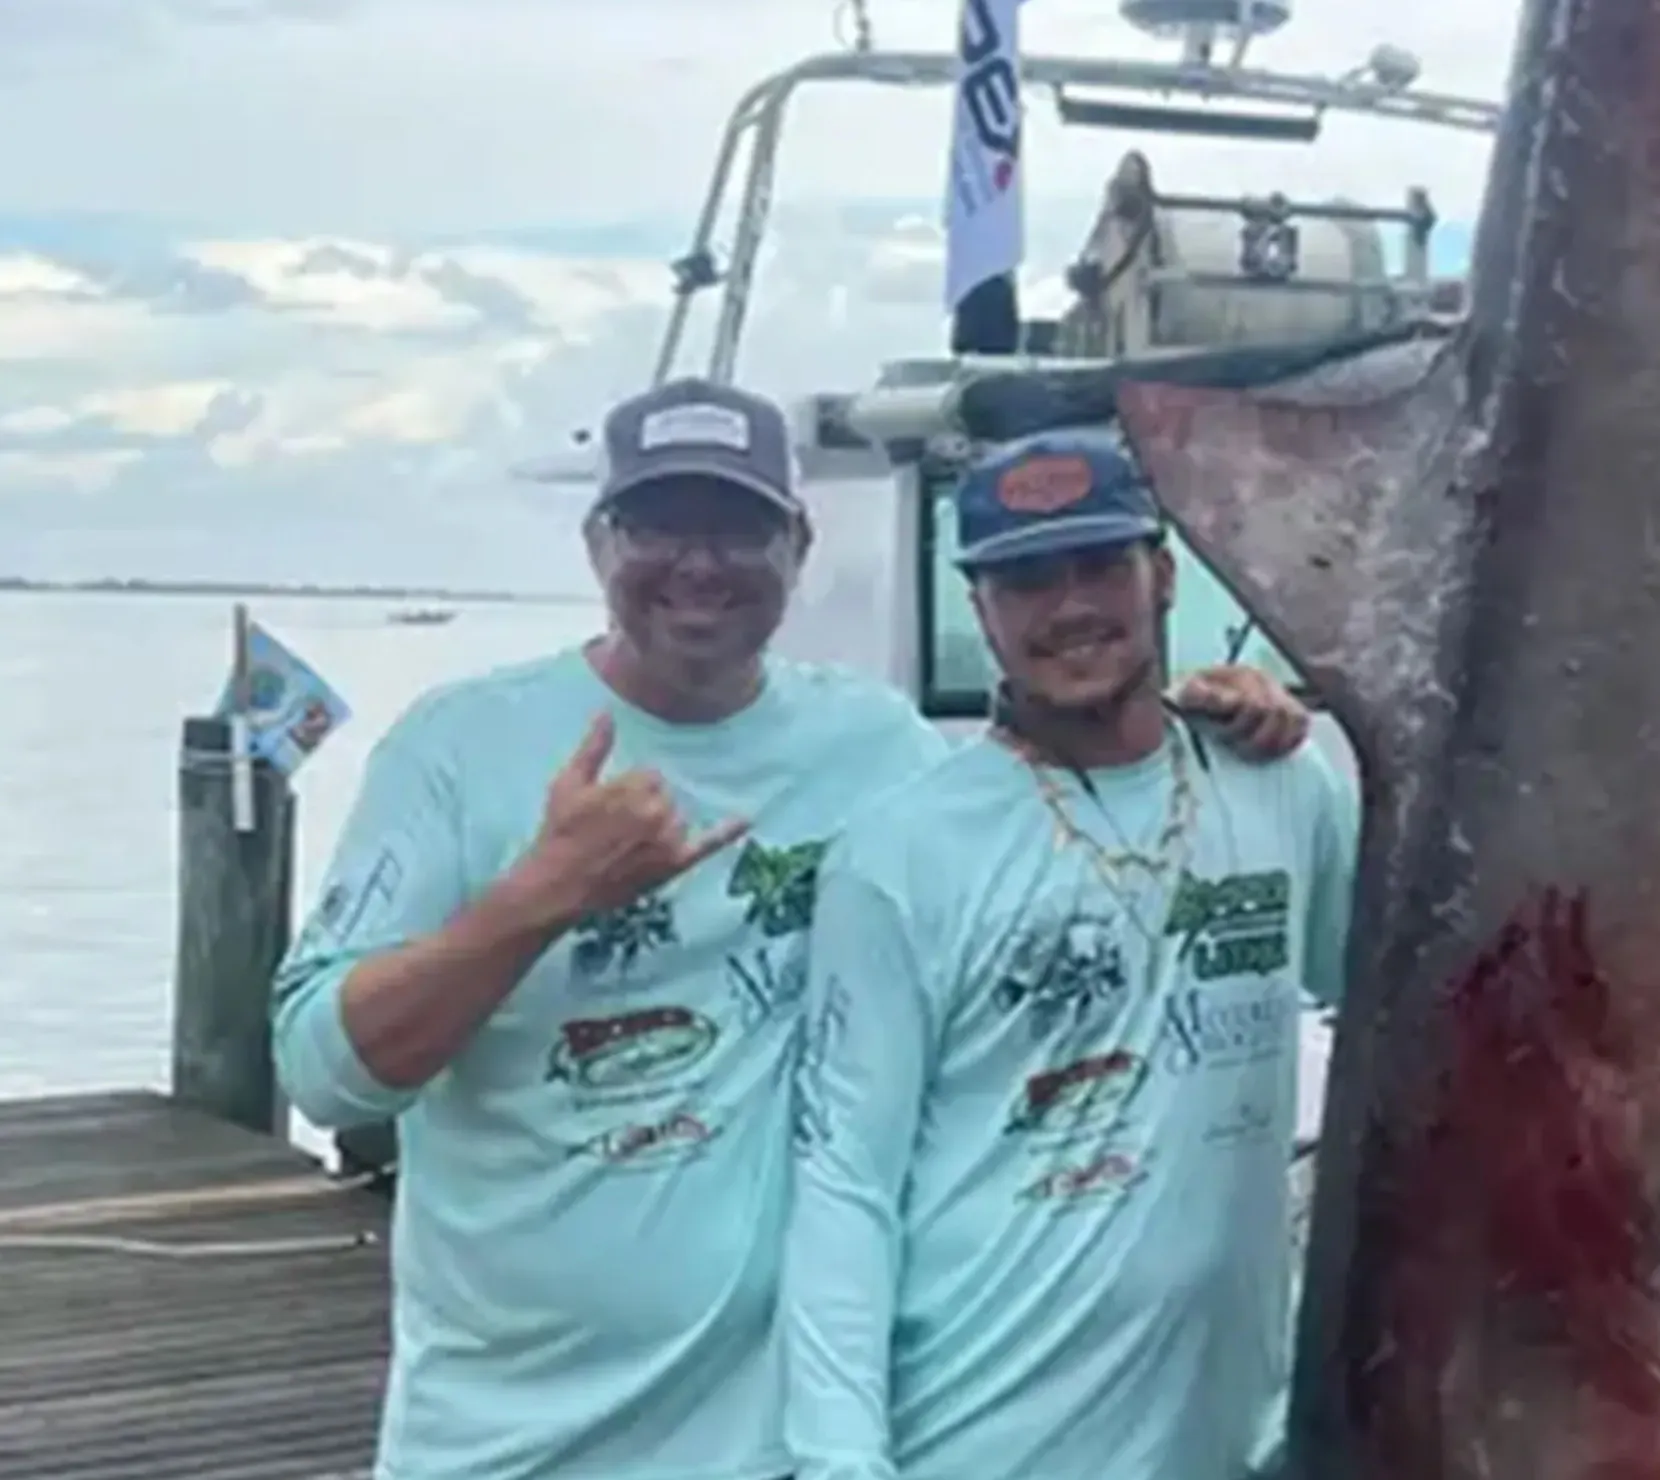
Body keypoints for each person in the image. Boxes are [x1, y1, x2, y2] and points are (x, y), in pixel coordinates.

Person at [268, 379, 1314, 1480]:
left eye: (740, 525)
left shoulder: (879, 748)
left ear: (798, 545)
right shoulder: (457, 747)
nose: (701, 562)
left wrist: (1225, 720)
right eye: (662, 522)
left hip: (774, 1441)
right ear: (597, 543)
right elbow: (325, 1074)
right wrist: (540, 898)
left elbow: (1074, 844)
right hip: (507, 1442)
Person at [781, 428, 1359, 1480]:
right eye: (1026, 580)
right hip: (984, 1437)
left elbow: (1392, 1017)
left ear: (1165, 573)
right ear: (982, 608)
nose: (1070, 607)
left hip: (1238, 1446)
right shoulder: (898, 852)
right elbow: (843, 1182)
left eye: (1100, 564)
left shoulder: (1289, 784)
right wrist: (838, 1459)